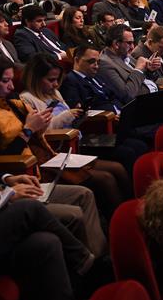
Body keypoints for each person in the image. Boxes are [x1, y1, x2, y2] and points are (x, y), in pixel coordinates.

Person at [0, 55, 107, 257]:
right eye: (5, 81)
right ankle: (88, 263)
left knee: (85, 194)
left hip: (29, 167)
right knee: (80, 206)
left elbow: (34, 133)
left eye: (11, 80)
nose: (11, 87)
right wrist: (28, 131)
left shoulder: (8, 100)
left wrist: (39, 127)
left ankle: (100, 254)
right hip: (17, 173)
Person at [18, 53, 131, 215]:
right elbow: (43, 132)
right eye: (50, 80)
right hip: (57, 151)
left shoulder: (54, 93)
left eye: (57, 80)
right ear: (35, 78)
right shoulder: (26, 99)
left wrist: (79, 115)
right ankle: (120, 220)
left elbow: (69, 120)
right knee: (106, 178)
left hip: (75, 143)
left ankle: (131, 208)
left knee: (119, 166)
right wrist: (67, 116)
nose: (56, 84)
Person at [98, 24, 159, 103]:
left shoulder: (125, 55)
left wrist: (150, 70)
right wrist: (138, 69)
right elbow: (127, 95)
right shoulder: (105, 63)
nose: (132, 47)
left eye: (133, 43)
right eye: (129, 43)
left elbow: (143, 79)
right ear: (116, 44)